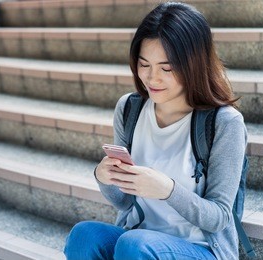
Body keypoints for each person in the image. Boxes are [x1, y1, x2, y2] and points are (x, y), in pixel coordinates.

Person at [64, 2, 247, 260]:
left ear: (194, 64)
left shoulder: (224, 123)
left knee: (134, 245)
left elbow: (217, 217)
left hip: (200, 249)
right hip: (138, 238)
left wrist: (167, 189)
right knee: (84, 236)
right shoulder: (129, 109)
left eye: (167, 68)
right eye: (143, 65)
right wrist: (104, 177)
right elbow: (125, 202)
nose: (152, 79)